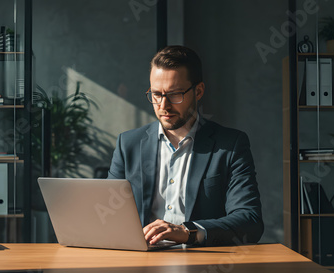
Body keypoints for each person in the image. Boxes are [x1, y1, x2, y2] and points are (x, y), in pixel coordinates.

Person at [107, 45, 263, 246]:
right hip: (141, 261)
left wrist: (187, 232)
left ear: (198, 91)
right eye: (156, 94)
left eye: (175, 94)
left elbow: (250, 221)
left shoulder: (230, 145)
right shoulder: (128, 144)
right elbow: (108, 215)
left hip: (202, 261)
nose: (163, 106)